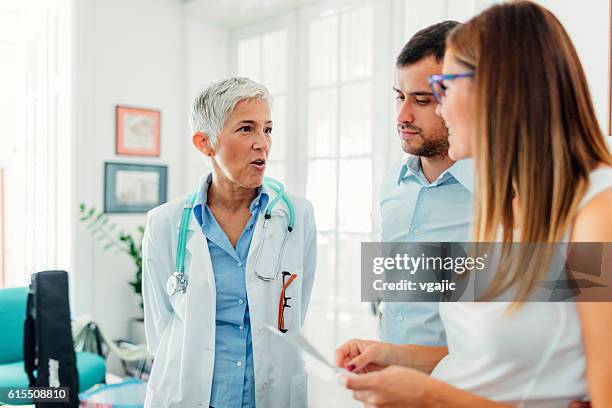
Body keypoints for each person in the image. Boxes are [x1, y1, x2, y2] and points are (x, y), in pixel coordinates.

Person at [336, 2, 612, 407]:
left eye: (442, 89)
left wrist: (431, 397)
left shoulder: (596, 212)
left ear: (499, 89)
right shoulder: (504, 208)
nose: (441, 109)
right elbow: (484, 361)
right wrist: (397, 356)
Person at [142, 77, 316, 408]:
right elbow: (161, 329)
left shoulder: (297, 216)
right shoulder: (165, 224)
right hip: (192, 395)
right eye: (246, 129)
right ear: (204, 143)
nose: (262, 143)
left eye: (267, 129)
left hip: (268, 392)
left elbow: (296, 309)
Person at [380, 20, 474, 347]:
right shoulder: (392, 183)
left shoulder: (504, 196)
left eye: (421, 101)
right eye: (399, 96)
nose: (402, 116)